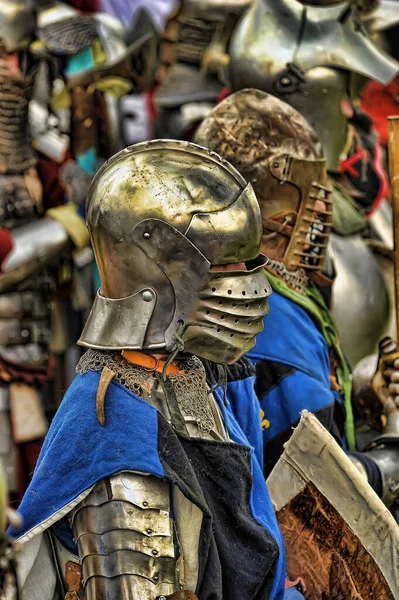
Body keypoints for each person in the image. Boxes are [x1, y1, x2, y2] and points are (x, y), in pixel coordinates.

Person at [9, 140, 287, 600]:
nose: (248, 278)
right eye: (224, 263)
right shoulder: (121, 460)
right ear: (160, 276)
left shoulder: (192, 375)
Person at [194, 88, 399, 506]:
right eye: (313, 194)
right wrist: (393, 455)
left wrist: (359, 400)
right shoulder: (270, 318)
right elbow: (318, 490)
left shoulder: (205, 278)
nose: (324, 211)